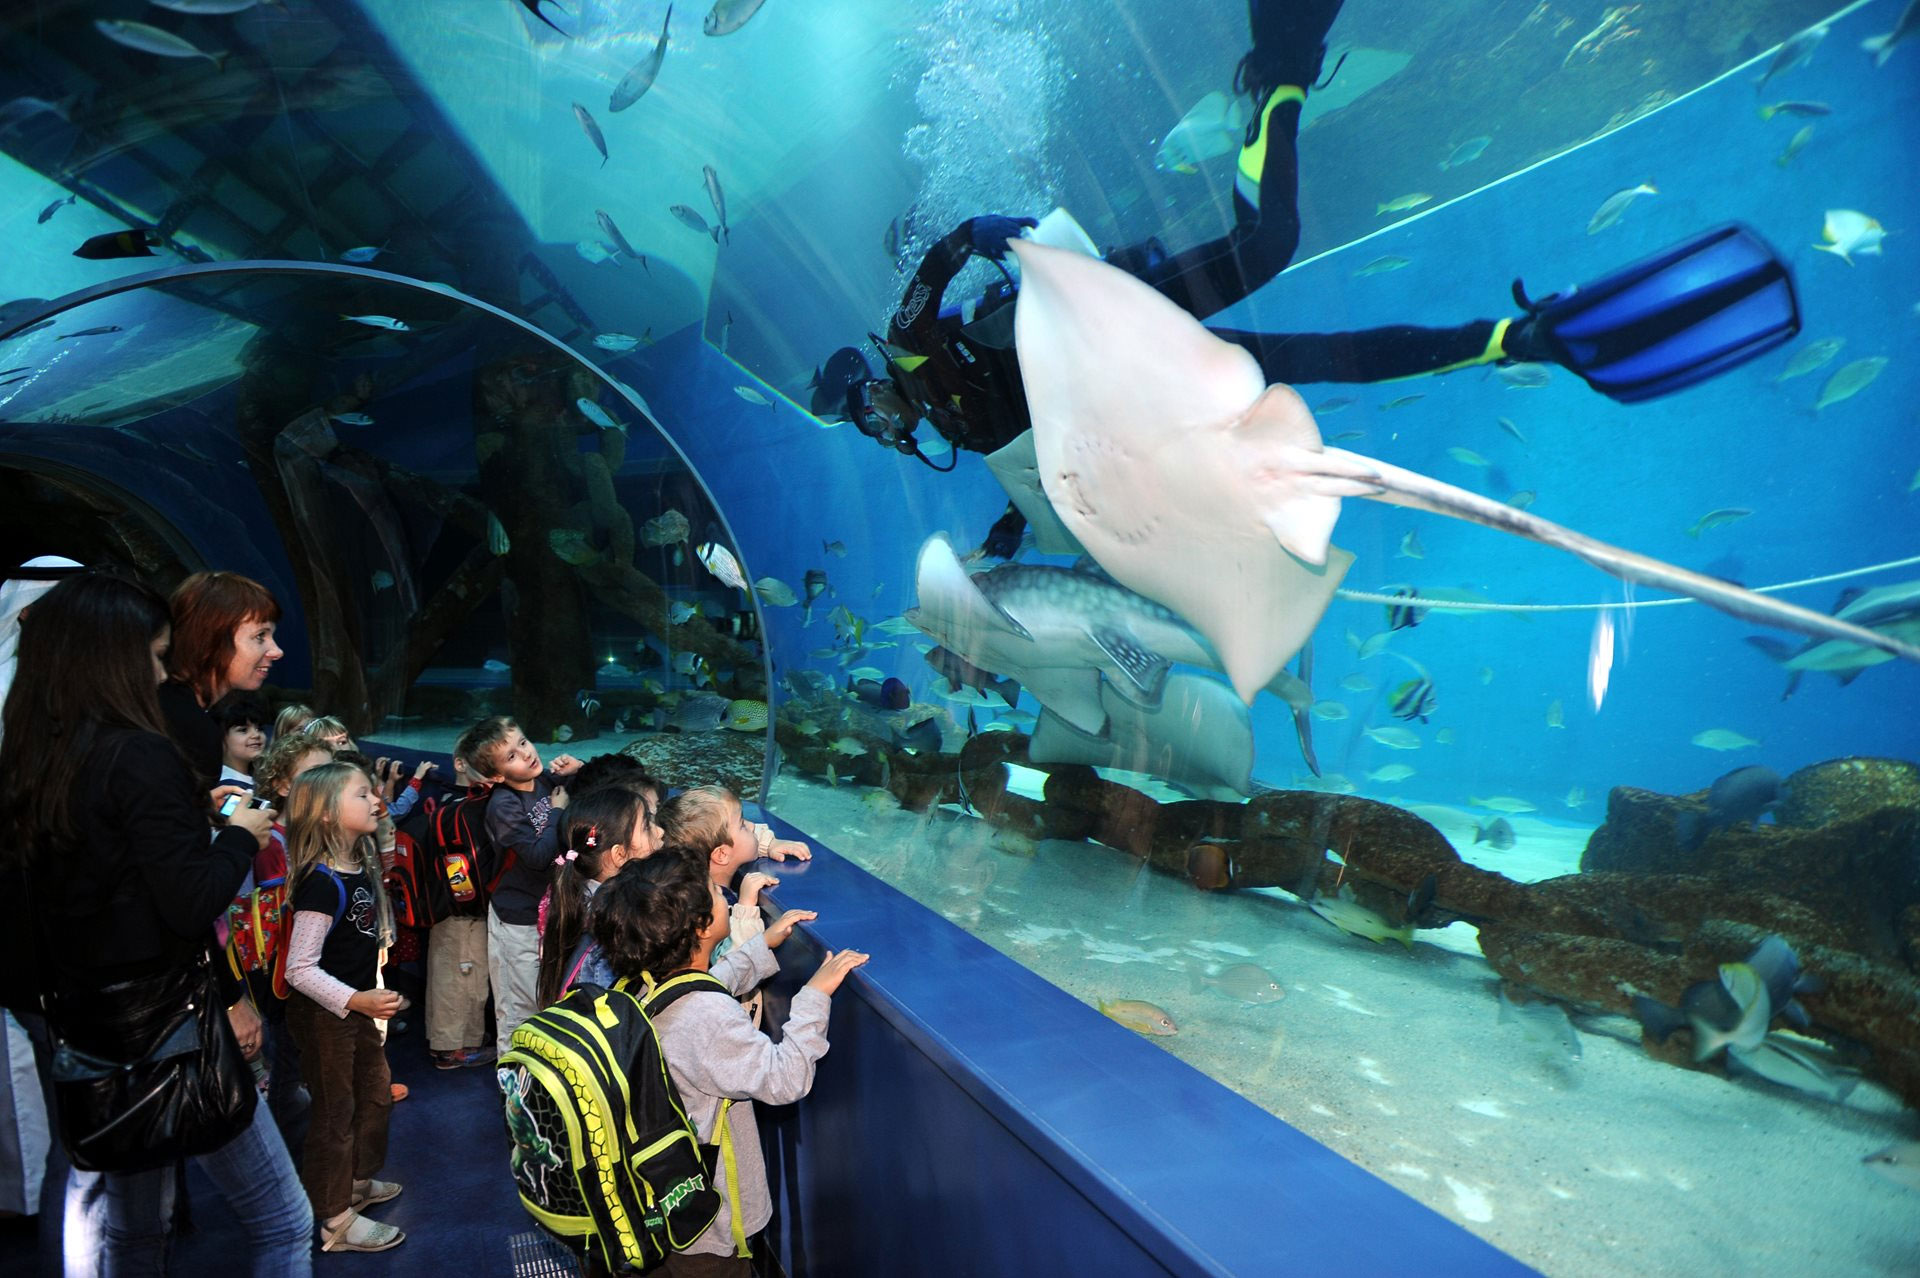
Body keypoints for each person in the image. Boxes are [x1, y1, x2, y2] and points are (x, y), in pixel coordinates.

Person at [835, 0, 1799, 556]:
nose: (884, 417)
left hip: (1105, 309)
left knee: (1267, 245)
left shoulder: (912, 352)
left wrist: (971, 232)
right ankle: (1515, 337)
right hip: (1135, 381)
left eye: (869, 402)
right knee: (1312, 361)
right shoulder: (952, 430)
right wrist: (1012, 528)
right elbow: (1034, 463)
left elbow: (927, 275)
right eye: (869, 422)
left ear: (874, 383)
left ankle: (1279, 72)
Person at [0, 571, 311, 1274]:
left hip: (87, 1023)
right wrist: (241, 835)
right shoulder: (139, 752)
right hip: (168, 1024)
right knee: (284, 1222)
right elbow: (187, 901)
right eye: (151, 655)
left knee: (132, 1229)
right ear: (112, 658)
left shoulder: (36, 755)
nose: (158, 672)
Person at [588, 854, 858, 1273]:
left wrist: (759, 948)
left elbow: (698, 985)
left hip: (658, 1202)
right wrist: (814, 997)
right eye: (715, 892)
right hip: (707, 1231)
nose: (723, 894)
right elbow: (785, 1079)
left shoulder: (640, 983)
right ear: (700, 927)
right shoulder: (707, 1018)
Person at [278, 762, 405, 1254]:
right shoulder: (320, 883)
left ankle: (354, 1183)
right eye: (360, 795)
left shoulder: (362, 861)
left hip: (354, 1008)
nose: (374, 800)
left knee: (375, 1096)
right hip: (324, 1015)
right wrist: (356, 999)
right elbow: (299, 971)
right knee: (335, 1114)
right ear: (328, 816)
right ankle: (333, 1219)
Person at [470, 717, 583, 1059]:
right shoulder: (502, 805)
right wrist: (556, 813)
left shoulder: (546, 782)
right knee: (517, 1006)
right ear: (496, 776)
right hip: (516, 919)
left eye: (522, 741)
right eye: (511, 756)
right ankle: (512, 1088)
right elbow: (536, 856)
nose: (525, 753)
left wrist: (579, 769)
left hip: (549, 911)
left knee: (545, 995)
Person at [658, 787, 805, 1028]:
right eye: (742, 825)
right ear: (722, 855)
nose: (751, 825)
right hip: (727, 1027)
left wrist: (770, 844)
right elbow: (729, 969)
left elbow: (738, 840)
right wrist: (746, 908)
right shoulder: (707, 911)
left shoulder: (689, 879)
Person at [532, 782, 664, 1007]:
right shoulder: (612, 930)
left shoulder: (576, 898)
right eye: (647, 826)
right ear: (620, 854)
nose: (660, 831)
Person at [161, 571, 286, 794]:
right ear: (211, 639)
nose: (276, 651)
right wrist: (239, 829)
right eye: (260, 636)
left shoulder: (171, 707)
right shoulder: (188, 728)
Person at [213, 692, 271, 789]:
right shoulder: (225, 788)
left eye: (259, 729)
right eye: (243, 730)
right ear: (220, 738)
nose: (256, 735)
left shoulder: (259, 779)